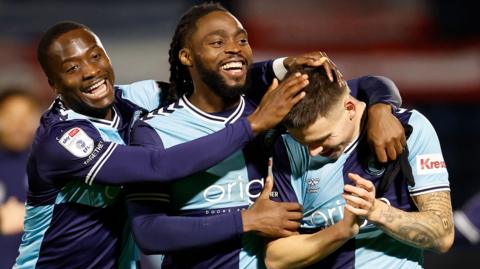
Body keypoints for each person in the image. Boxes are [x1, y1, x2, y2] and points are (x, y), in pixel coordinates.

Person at [14, 21, 318, 269]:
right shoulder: (62, 139)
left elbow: (205, 79)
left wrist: (278, 68)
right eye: (71, 68)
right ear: (53, 85)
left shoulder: (135, 99)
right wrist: (253, 125)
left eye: (95, 56)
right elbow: (155, 166)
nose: (91, 71)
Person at [125, 3, 405, 268]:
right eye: (217, 43)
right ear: (186, 56)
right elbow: (149, 233)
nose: (234, 49)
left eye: (242, 40)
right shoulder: (155, 131)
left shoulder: (279, 103)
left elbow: (364, 86)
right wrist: (246, 221)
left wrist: (382, 109)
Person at [264, 65, 454, 268]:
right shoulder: (285, 146)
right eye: (305, 142)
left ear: (350, 109)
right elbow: (275, 259)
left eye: (323, 139)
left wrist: (375, 211)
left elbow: (443, 236)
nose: (313, 152)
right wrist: (342, 231)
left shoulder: (409, 129)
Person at [0, 88, 41, 269]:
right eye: (10, 115)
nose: (18, 123)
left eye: (26, 115)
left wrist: (30, 216)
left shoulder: (54, 164)